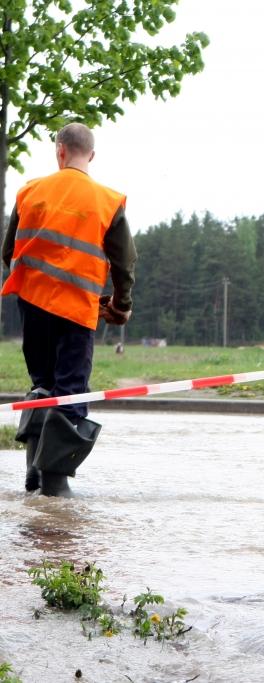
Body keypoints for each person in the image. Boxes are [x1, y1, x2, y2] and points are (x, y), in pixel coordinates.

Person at [1, 122, 136, 497]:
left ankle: (33, 474)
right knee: (71, 391)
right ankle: (55, 489)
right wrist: (121, 306)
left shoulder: (30, 192)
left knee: (42, 384)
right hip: (77, 310)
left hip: (33, 305)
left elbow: (8, 252)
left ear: (59, 151)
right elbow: (125, 263)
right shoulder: (108, 201)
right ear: (90, 155)